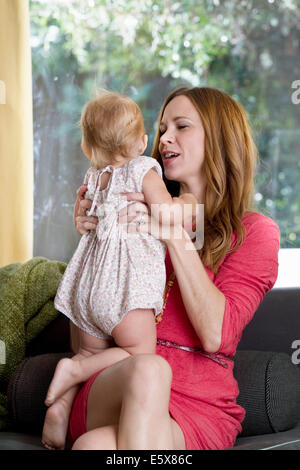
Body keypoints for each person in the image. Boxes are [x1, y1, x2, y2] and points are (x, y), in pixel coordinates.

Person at [67, 86, 280, 450]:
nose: (165, 138)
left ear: (219, 139)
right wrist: (94, 241)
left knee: (94, 448)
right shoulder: (130, 211)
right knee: (149, 370)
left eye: (181, 126)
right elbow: (87, 339)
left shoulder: (255, 233)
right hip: (116, 385)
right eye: (163, 128)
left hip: (199, 408)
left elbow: (216, 335)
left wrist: (173, 235)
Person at [41, 90, 198, 450]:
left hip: (84, 286)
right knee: (142, 355)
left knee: (89, 354)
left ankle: (61, 404)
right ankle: (75, 371)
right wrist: (183, 205)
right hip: (123, 288)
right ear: (143, 142)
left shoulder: (96, 177)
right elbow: (167, 215)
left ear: (87, 147)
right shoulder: (144, 169)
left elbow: (86, 220)